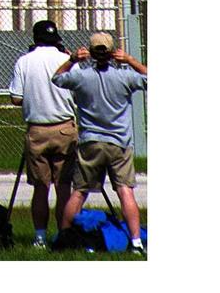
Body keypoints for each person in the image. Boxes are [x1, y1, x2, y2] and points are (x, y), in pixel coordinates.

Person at [51, 31, 148, 255]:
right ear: (113, 52)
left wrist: (73, 59)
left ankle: (65, 237)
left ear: (91, 52)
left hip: (91, 141)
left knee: (80, 192)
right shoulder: (124, 76)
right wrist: (131, 60)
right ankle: (135, 242)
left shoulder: (82, 76)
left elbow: (56, 78)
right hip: (119, 142)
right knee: (125, 191)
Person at [8, 19, 78, 247]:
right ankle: (64, 234)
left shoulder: (24, 61)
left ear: (35, 38)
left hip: (37, 129)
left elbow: (16, 98)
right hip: (65, 128)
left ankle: (39, 236)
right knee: (63, 186)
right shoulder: (67, 61)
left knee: (40, 187)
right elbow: (79, 91)